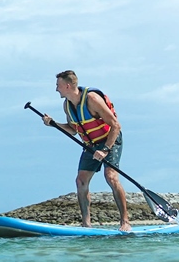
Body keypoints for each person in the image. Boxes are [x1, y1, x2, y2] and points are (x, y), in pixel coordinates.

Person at [41, 70, 131, 232]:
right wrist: (54, 124)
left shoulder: (92, 99)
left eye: (58, 86)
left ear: (67, 86)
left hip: (109, 140)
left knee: (110, 177)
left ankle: (125, 221)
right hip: (90, 144)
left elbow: (116, 125)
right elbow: (73, 130)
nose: (56, 89)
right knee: (80, 181)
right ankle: (86, 224)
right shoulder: (67, 105)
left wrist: (105, 150)